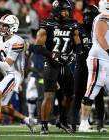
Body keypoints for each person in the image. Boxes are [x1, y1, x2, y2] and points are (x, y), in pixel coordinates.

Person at [34, 0, 82, 135]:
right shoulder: (47, 23)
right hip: (51, 63)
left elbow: (78, 44)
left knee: (70, 96)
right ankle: (44, 125)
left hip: (65, 64)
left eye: (68, 10)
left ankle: (62, 120)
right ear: (56, 10)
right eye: (64, 10)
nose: (67, 13)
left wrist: (73, 55)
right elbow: (37, 47)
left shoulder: (73, 24)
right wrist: (52, 55)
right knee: (49, 95)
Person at [71, 5, 107, 132]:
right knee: (78, 94)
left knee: (98, 95)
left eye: (90, 15)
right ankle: (73, 123)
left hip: (95, 65)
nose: (87, 18)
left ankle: (100, 124)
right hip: (82, 65)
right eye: (85, 15)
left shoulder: (100, 26)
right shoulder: (79, 28)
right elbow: (73, 45)